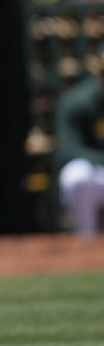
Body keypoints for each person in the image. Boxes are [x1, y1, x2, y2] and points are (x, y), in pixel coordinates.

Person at [55, 59, 104, 239]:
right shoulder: (78, 103)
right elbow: (69, 150)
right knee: (76, 176)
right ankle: (86, 242)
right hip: (97, 173)